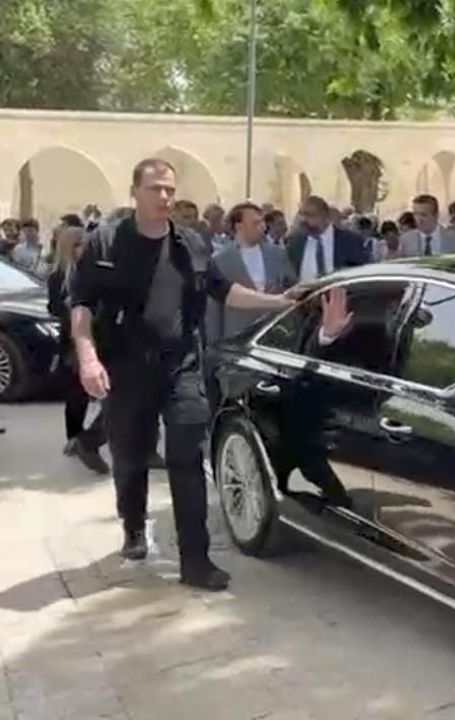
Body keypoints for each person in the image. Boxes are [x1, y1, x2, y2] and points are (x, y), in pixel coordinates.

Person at [69, 158, 297, 590]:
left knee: (188, 460)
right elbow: (80, 305)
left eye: (170, 190)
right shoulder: (106, 243)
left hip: (182, 367)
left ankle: (195, 560)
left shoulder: (190, 243)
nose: (164, 197)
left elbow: (224, 291)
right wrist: (88, 358)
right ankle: (134, 526)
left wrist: (279, 301)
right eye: (155, 188)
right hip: (125, 368)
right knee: (130, 458)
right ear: (134, 192)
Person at [47, 224, 109, 475]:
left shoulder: (94, 272)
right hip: (72, 341)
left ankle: (85, 439)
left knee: (105, 390)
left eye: (85, 244)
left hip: (99, 337)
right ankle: (75, 437)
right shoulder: (58, 277)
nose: (82, 249)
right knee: (76, 393)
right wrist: (69, 308)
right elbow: (54, 307)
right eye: (77, 244)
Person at [205, 202, 297, 344]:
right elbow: (214, 309)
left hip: (274, 336)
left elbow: (292, 285)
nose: (263, 227)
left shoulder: (277, 254)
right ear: (239, 226)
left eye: (263, 222)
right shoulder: (220, 260)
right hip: (237, 338)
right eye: (256, 223)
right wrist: (214, 342)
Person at [286, 195, 371, 281]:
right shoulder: (295, 244)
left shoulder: (350, 241)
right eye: (301, 214)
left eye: (309, 215)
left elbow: (361, 275)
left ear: (325, 216)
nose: (303, 220)